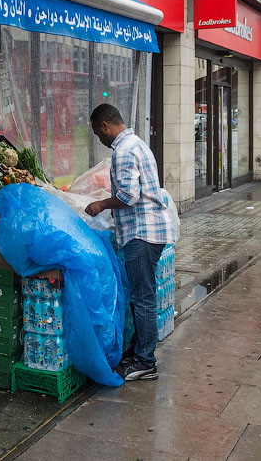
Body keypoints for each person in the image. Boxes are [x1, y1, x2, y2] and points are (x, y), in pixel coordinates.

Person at [85, 104, 175, 382]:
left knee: (143, 298)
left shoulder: (123, 151)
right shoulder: (137, 144)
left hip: (141, 234)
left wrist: (101, 204)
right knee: (142, 296)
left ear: (104, 126)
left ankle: (145, 361)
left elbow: (128, 195)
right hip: (151, 231)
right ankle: (139, 352)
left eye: (98, 134)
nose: (100, 140)